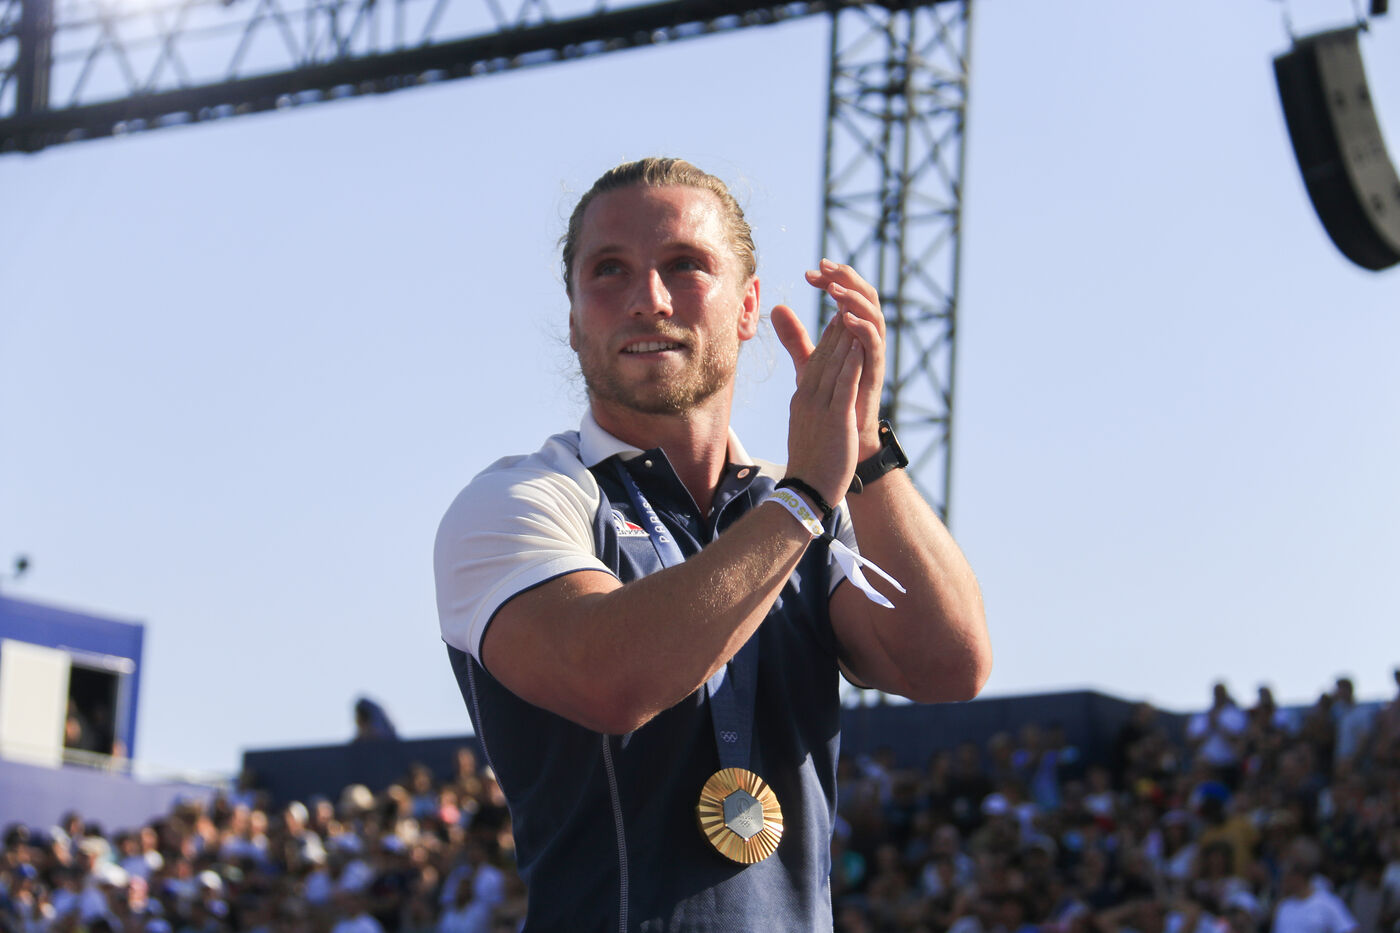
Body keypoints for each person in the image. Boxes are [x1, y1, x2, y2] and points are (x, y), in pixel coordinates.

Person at [434, 157, 992, 930]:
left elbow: (948, 663)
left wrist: (865, 450)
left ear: (748, 305)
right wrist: (806, 496)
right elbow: (612, 680)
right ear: (573, 318)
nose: (649, 299)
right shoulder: (521, 499)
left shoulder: (808, 503)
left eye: (685, 265)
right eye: (609, 270)